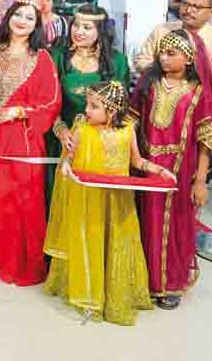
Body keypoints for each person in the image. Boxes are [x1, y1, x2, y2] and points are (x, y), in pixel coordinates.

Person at [44, 82, 164, 325]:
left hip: (117, 199)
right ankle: (90, 295)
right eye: (88, 104)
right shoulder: (82, 129)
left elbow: (137, 161)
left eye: (94, 106)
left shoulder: (127, 130)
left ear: (112, 111)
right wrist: (67, 168)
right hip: (88, 198)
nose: (87, 110)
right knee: (90, 240)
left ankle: (114, 296)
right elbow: (69, 159)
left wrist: (159, 170)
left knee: (116, 241)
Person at [0, 0, 61, 286]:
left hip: (22, 138)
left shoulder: (41, 57)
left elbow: (52, 103)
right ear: (8, 17)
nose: (22, 21)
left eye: (30, 18)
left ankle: (18, 259)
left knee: (20, 197)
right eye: (18, 15)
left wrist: (20, 112)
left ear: (36, 26)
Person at [131, 30, 212, 308]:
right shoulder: (148, 84)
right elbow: (131, 123)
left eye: (171, 54)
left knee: (174, 226)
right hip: (145, 166)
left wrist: (200, 181)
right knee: (144, 220)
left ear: (189, 59)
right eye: (162, 52)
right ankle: (140, 280)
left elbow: (206, 138)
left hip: (181, 171)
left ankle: (169, 284)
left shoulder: (197, 92)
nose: (163, 58)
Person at [47, 5, 130, 208]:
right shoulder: (57, 56)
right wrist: (61, 130)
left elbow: (120, 107)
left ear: (100, 31)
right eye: (76, 25)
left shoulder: (116, 61)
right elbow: (48, 100)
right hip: (63, 140)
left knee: (95, 204)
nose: (79, 31)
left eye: (87, 27)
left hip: (101, 142)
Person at [134, 0, 212, 93]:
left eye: (197, 7)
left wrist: (179, 80)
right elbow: (142, 61)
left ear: (211, 12)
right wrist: (163, 75)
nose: (189, 10)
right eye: (185, 4)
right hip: (157, 97)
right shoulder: (162, 30)